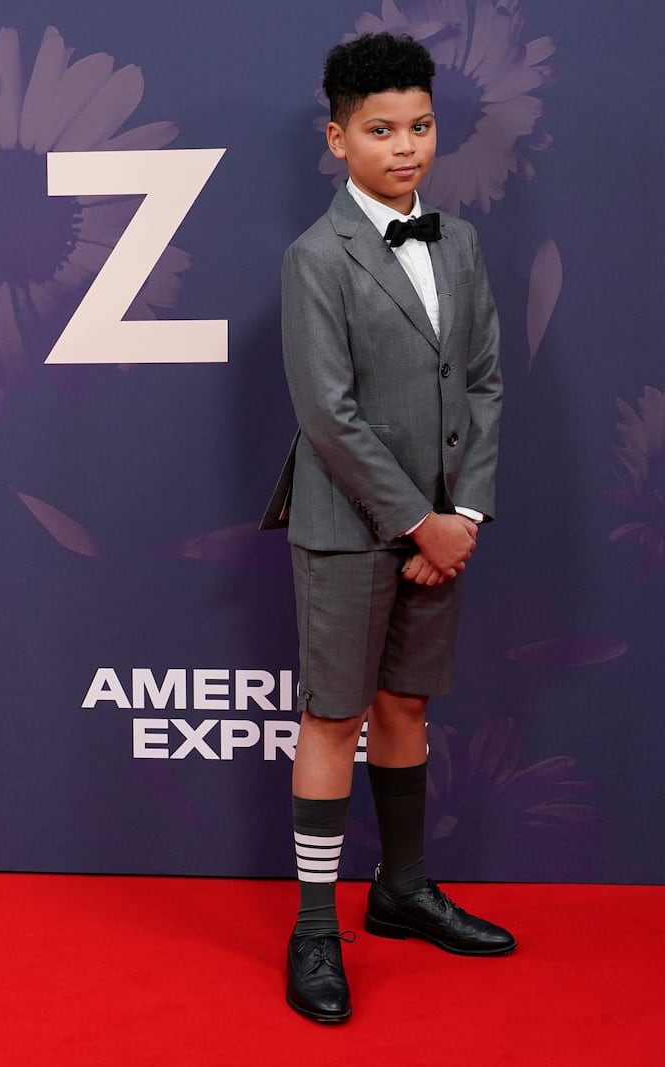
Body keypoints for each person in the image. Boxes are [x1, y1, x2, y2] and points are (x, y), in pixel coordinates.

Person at [260, 31, 514, 1024]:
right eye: (379, 129)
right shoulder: (312, 259)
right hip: (348, 527)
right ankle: (316, 926)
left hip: (444, 525)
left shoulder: (460, 243)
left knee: (405, 707)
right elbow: (327, 412)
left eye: (418, 125)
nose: (403, 146)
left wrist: (463, 512)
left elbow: (485, 381)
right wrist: (416, 522)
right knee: (333, 716)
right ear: (337, 138)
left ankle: (402, 890)